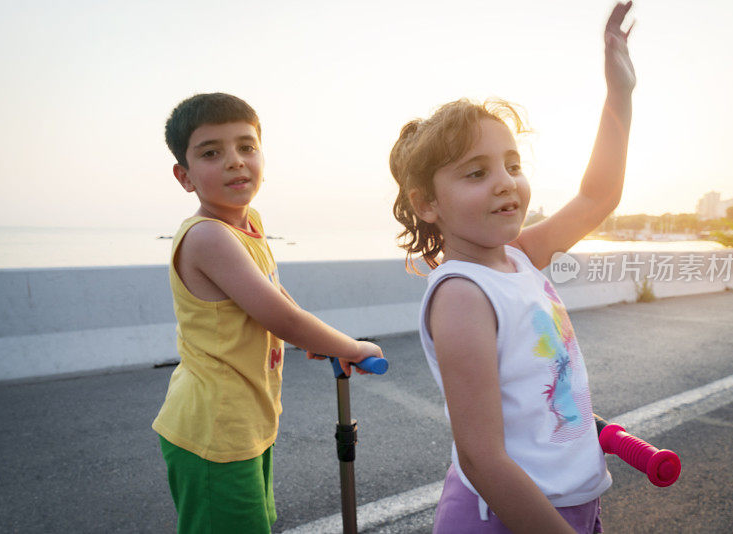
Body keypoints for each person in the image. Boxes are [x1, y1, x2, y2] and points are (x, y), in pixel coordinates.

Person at [388, 3, 635, 533]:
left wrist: (619, 95)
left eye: (513, 165)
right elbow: (483, 458)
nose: (505, 181)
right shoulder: (462, 295)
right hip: (507, 516)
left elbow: (598, 195)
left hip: (571, 500)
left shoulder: (520, 257)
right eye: (477, 172)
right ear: (427, 204)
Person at [152, 92, 383, 534]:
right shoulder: (208, 237)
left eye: (246, 146)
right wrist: (349, 346)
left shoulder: (248, 223)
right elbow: (283, 319)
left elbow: (276, 297)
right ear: (185, 177)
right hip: (214, 428)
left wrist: (315, 340)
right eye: (211, 152)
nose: (235, 161)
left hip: (245, 420)